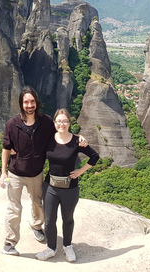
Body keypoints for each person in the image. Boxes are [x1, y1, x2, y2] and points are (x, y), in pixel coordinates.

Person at [0, 87, 86, 256]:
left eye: (32, 101)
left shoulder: (46, 121)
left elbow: (62, 133)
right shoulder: (12, 124)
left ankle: (36, 226)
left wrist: (78, 138)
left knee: (38, 203)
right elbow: (5, 148)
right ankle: (10, 243)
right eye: (26, 102)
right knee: (13, 208)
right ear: (21, 104)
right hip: (16, 173)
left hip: (36, 173)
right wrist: (3, 172)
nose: (29, 105)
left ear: (36, 103)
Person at [35, 108, 99, 262]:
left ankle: (67, 246)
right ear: (54, 123)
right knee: (49, 220)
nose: (61, 124)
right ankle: (51, 248)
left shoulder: (77, 141)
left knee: (67, 218)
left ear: (69, 123)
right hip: (50, 186)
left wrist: (80, 171)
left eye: (65, 121)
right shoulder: (49, 138)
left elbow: (94, 157)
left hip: (70, 188)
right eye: (59, 121)